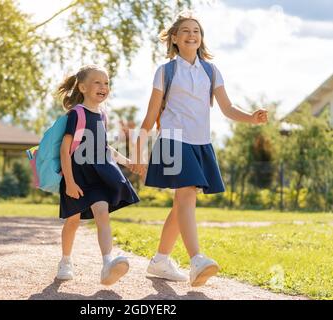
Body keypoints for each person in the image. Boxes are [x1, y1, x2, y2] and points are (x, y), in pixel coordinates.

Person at [132, 11, 268, 287]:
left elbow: (227, 108)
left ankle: (160, 259)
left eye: (196, 30)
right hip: (172, 140)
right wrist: (137, 152)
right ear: (174, 38)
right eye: (185, 30)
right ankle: (197, 260)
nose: (192, 34)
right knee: (186, 196)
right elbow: (150, 116)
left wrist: (251, 118)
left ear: (201, 38)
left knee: (184, 200)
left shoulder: (210, 70)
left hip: (200, 142)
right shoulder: (165, 71)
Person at [56, 65, 140, 285]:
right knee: (73, 221)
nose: (103, 87)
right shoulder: (77, 114)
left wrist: (127, 162)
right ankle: (65, 261)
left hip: (97, 176)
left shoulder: (102, 115)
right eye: (97, 82)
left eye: (107, 83)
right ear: (82, 87)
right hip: (76, 176)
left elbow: (104, 148)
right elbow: (65, 150)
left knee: (102, 213)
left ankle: (107, 264)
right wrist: (70, 183)